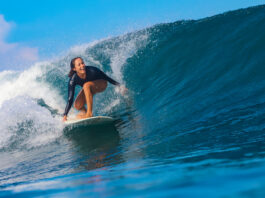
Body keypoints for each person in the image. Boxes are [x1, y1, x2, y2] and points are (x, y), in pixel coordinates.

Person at [63, 57, 125, 121]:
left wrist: (120, 86)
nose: (82, 65)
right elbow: (70, 98)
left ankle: (89, 114)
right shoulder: (73, 80)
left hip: (101, 84)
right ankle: (85, 113)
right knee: (77, 105)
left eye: (82, 63)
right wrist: (65, 115)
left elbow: (107, 78)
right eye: (79, 65)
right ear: (74, 69)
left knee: (86, 85)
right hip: (89, 87)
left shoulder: (92, 70)